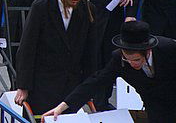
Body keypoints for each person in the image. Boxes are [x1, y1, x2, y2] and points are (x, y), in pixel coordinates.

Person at [43, 21, 176, 123]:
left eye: (136, 60)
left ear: (148, 51)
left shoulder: (169, 49)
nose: (132, 64)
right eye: (127, 59)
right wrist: (63, 106)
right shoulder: (118, 59)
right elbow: (96, 81)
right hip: (154, 108)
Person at [14, 0, 99, 116]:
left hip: (71, 85)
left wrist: (88, 87)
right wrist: (23, 85)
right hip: (42, 83)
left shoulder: (88, 10)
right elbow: (27, 47)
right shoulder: (41, 6)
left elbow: (90, 52)